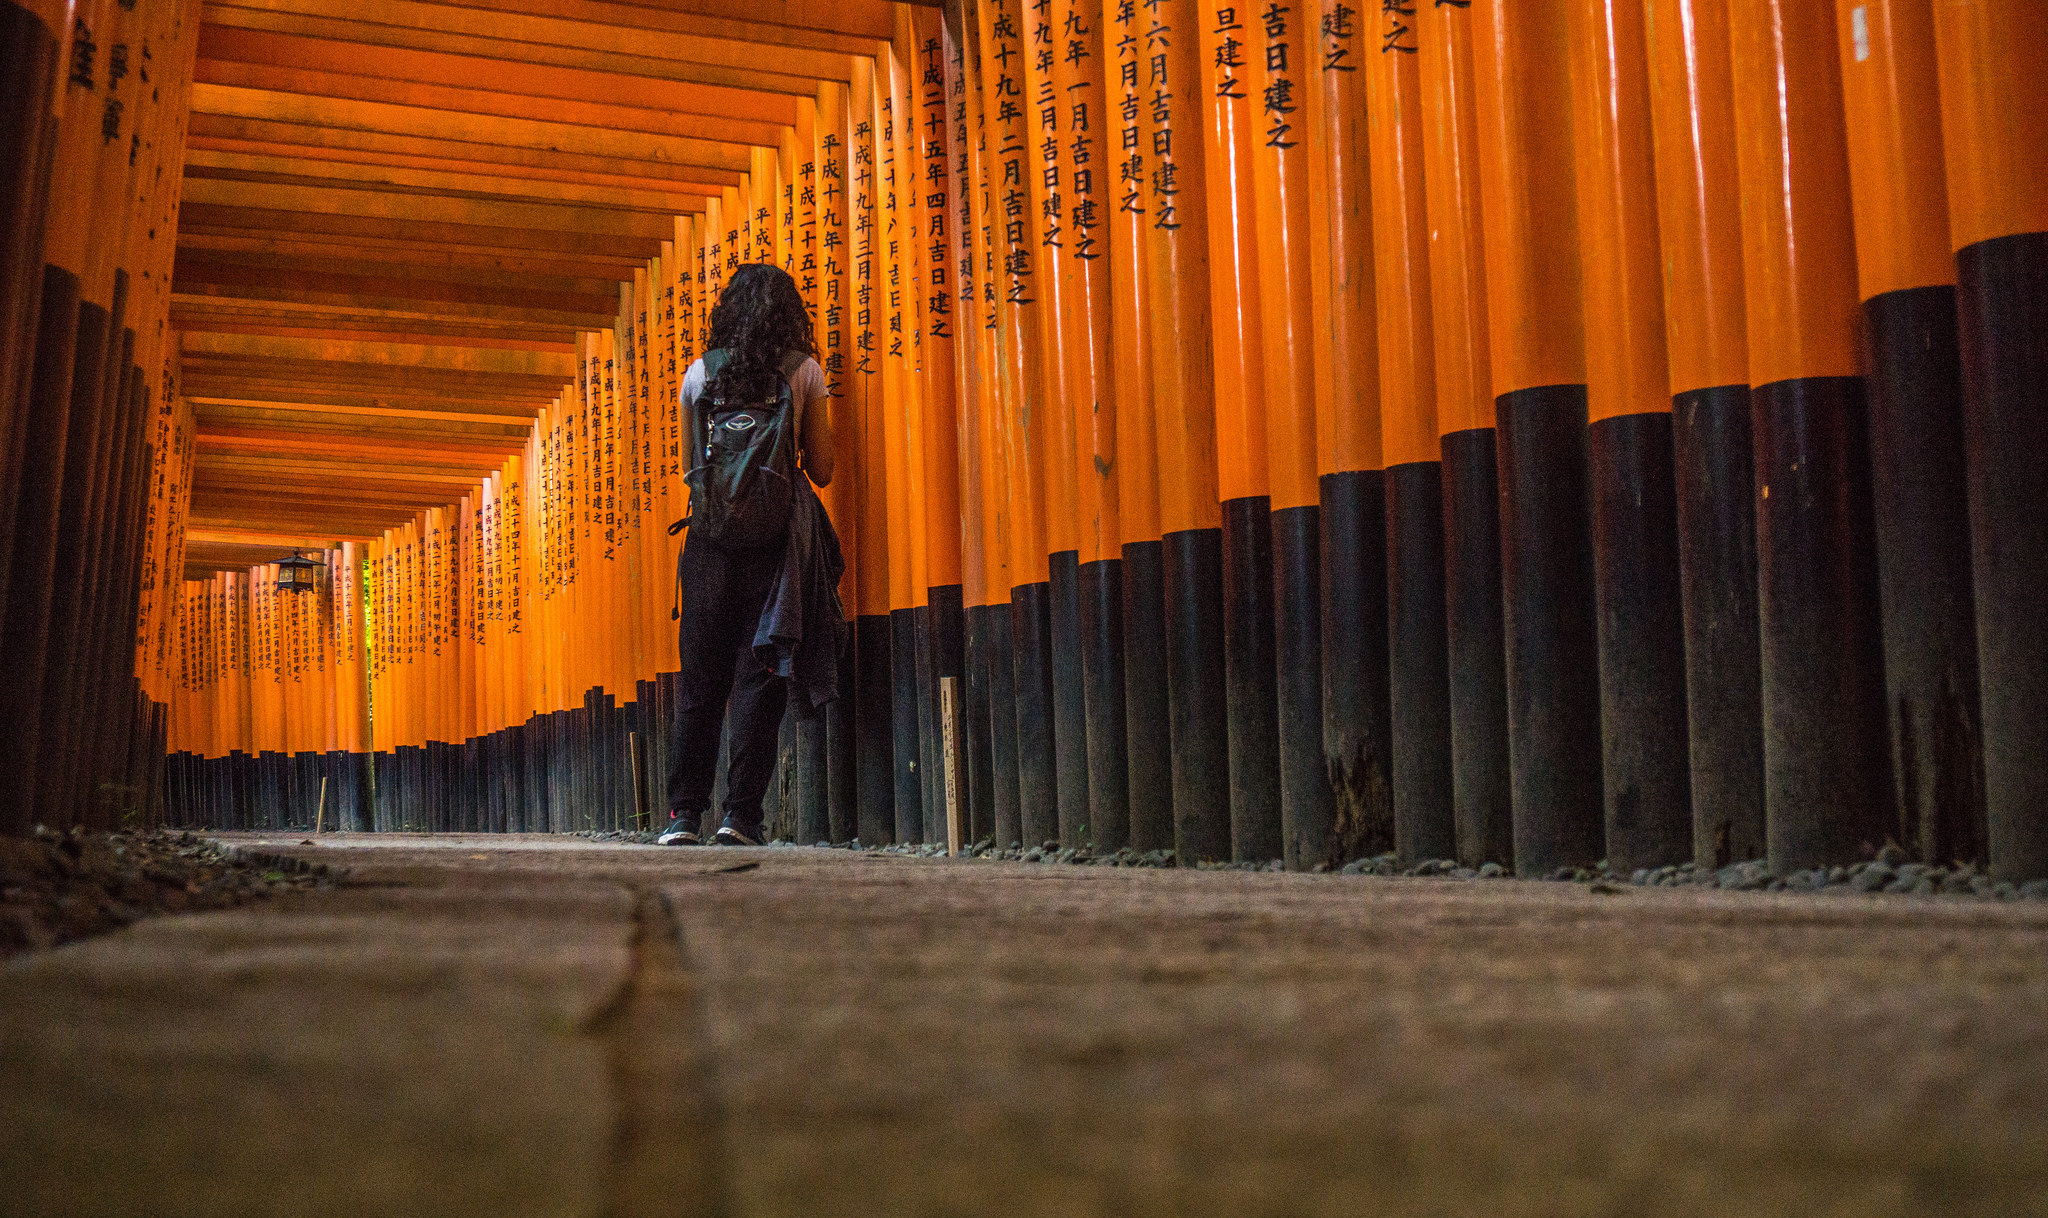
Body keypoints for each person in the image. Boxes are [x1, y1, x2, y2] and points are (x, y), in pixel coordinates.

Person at [659, 264, 834, 846]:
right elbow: (825, 468)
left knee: (701, 681)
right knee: (761, 674)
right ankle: (741, 817)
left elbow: (691, 470)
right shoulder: (803, 373)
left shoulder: (697, 377)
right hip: (775, 546)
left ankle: (685, 816)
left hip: (709, 544)